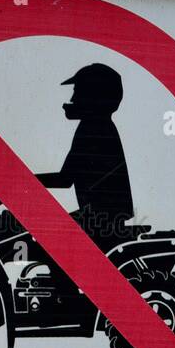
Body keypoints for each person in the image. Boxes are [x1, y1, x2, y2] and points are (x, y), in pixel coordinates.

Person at [37, 62, 133, 249]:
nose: (73, 97)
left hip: (100, 220)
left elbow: (64, 179)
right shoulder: (98, 125)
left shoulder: (93, 128)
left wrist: (16, 182)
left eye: (78, 91)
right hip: (102, 217)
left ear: (93, 96)